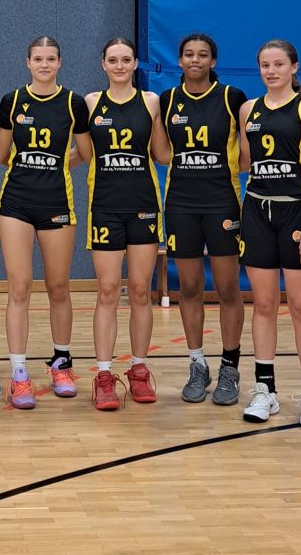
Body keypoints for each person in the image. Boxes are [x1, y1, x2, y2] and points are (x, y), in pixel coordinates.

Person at [0, 35, 92, 409]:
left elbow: (86, 152)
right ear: (28, 63)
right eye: (38, 59)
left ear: (60, 63)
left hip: (57, 202)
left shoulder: (73, 103)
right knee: (19, 287)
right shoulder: (12, 101)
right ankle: (18, 375)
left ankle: (61, 365)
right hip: (15, 202)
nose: (44, 64)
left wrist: (58, 165)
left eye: (51, 59)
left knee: (59, 286)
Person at [238, 39, 301, 429]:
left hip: (297, 211)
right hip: (257, 211)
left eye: (278, 64)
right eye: (265, 65)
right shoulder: (248, 110)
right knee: (262, 305)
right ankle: (265, 391)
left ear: (294, 67)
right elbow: (244, 163)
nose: (271, 71)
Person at [82, 38, 170, 410]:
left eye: (126, 60)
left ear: (135, 64)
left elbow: (162, 153)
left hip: (143, 205)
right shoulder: (90, 103)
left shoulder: (151, 102)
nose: (119, 66)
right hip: (104, 205)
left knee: (139, 290)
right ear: (103, 64)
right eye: (113, 60)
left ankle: (138, 370)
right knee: (107, 290)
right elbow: (82, 153)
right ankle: (104, 376)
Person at [160, 34, 246, 405]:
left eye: (203, 54)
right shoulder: (167, 100)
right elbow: (162, 152)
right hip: (180, 202)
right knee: (190, 286)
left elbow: (245, 155)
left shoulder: (232, 98)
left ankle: (229, 367)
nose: (195, 60)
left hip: (222, 202)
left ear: (213, 61)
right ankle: (197, 365)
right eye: (189, 54)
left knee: (227, 288)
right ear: (180, 60)